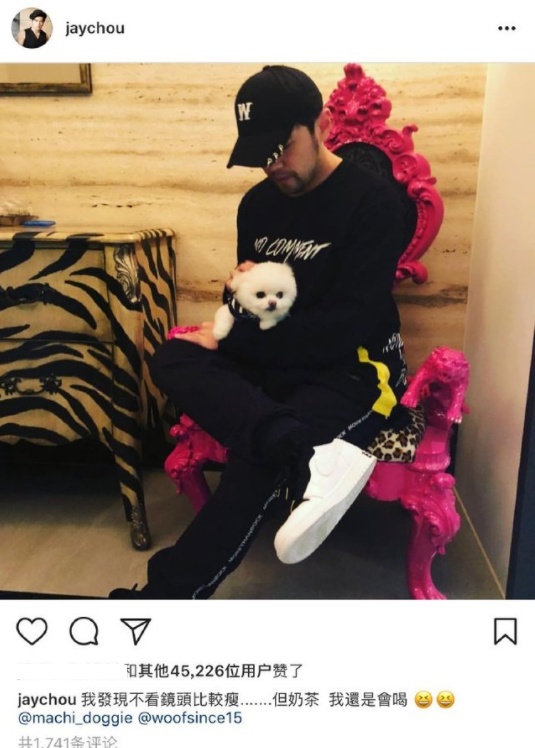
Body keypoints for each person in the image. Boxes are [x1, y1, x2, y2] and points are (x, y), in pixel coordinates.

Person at [110, 65, 409, 599]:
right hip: (275, 357)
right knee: (174, 356)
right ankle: (304, 451)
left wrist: (236, 339)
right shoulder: (256, 204)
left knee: (256, 457)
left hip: (354, 368)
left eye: (282, 147)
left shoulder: (375, 203)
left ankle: (164, 601)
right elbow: (249, 303)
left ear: (320, 124)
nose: (272, 164)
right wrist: (234, 304)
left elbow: (346, 328)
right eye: (260, 153)